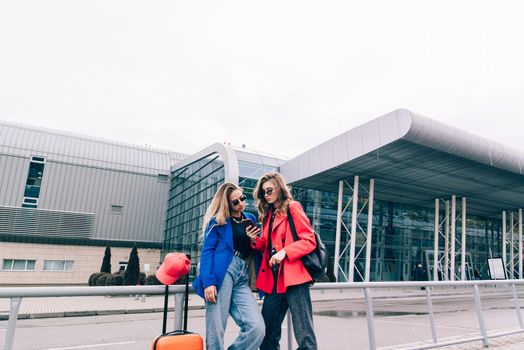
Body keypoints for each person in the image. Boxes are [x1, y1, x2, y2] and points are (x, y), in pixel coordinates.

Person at [249, 172, 318, 350]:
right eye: (263, 192)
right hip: (274, 280)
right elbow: (266, 245)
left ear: (279, 188)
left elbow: (309, 240)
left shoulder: (293, 207)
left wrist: (285, 252)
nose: (266, 194)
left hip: (295, 278)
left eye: (269, 190)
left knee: (304, 335)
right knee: (267, 332)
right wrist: (254, 240)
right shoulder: (268, 215)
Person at [192, 183, 265, 350]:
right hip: (222, 273)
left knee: (257, 328)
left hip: (242, 274)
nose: (241, 203)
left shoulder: (250, 219)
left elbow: (259, 248)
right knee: (216, 327)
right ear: (227, 203)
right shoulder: (217, 222)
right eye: (236, 201)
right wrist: (209, 282)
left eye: (242, 198)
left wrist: (254, 240)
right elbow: (207, 252)